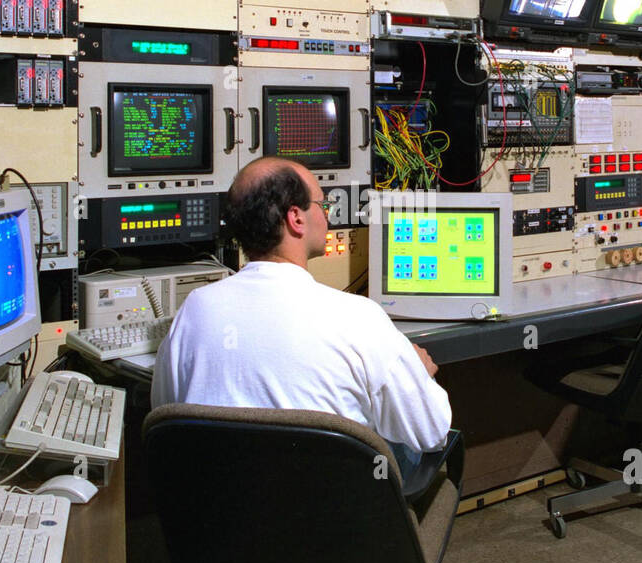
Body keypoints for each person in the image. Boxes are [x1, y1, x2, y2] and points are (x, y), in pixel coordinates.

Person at [151, 157, 452, 484]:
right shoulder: (358, 317)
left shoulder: (194, 311)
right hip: (339, 521)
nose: (327, 214)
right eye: (322, 204)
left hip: (222, 520)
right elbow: (431, 432)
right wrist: (418, 378)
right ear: (296, 218)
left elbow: (166, 414)